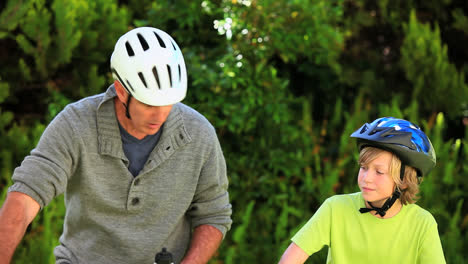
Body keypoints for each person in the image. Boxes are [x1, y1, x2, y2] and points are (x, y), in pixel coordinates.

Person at [0, 27, 232, 264]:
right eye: (149, 104)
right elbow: (26, 196)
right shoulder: (75, 124)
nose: (161, 114)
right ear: (121, 91)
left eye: (168, 103)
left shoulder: (198, 133)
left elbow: (213, 215)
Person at [278, 117, 446, 264]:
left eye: (379, 171)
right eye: (364, 168)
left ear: (403, 181)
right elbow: (291, 258)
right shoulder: (335, 209)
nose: (367, 178)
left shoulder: (422, 224)